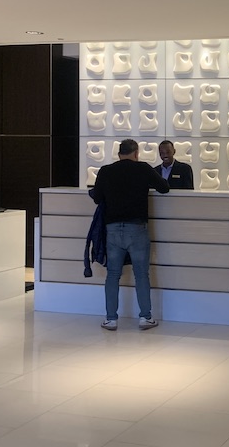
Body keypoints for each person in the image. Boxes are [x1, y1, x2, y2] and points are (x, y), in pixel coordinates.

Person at [90, 138, 170, 330]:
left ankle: (111, 319)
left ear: (119, 154)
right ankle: (145, 317)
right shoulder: (143, 168)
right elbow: (164, 188)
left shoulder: (106, 171)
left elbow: (97, 197)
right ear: (136, 153)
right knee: (141, 274)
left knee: (113, 274)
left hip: (113, 230)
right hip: (137, 229)